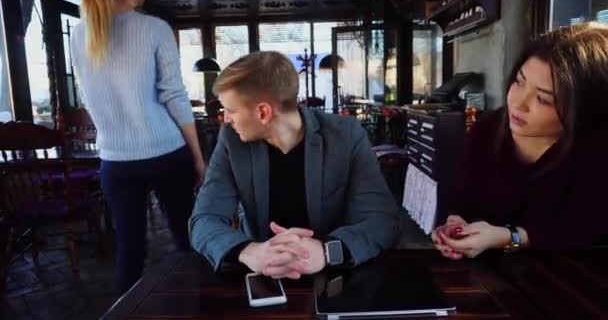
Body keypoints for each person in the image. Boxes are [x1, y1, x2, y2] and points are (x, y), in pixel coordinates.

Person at [189, 51, 400, 279]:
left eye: (230, 111)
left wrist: (326, 251)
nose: (226, 119)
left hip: (335, 276)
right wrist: (250, 252)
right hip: (262, 276)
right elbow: (204, 220)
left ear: (263, 112)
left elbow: (382, 220)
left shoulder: (345, 135)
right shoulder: (232, 140)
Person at [72, 0, 206, 293]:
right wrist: (198, 158)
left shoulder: (79, 34)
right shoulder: (155, 28)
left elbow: (90, 95)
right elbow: (174, 95)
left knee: (129, 251)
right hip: (166, 152)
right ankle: (197, 306)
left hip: (114, 161)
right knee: (187, 240)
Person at [432, 22, 608, 259]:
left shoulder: (596, 149)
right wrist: (456, 227)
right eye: (519, 81)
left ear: (583, 108)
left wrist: (510, 236)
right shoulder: (488, 129)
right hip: (495, 277)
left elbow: (587, 231)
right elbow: (464, 202)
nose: (517, 102)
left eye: (543, 99)